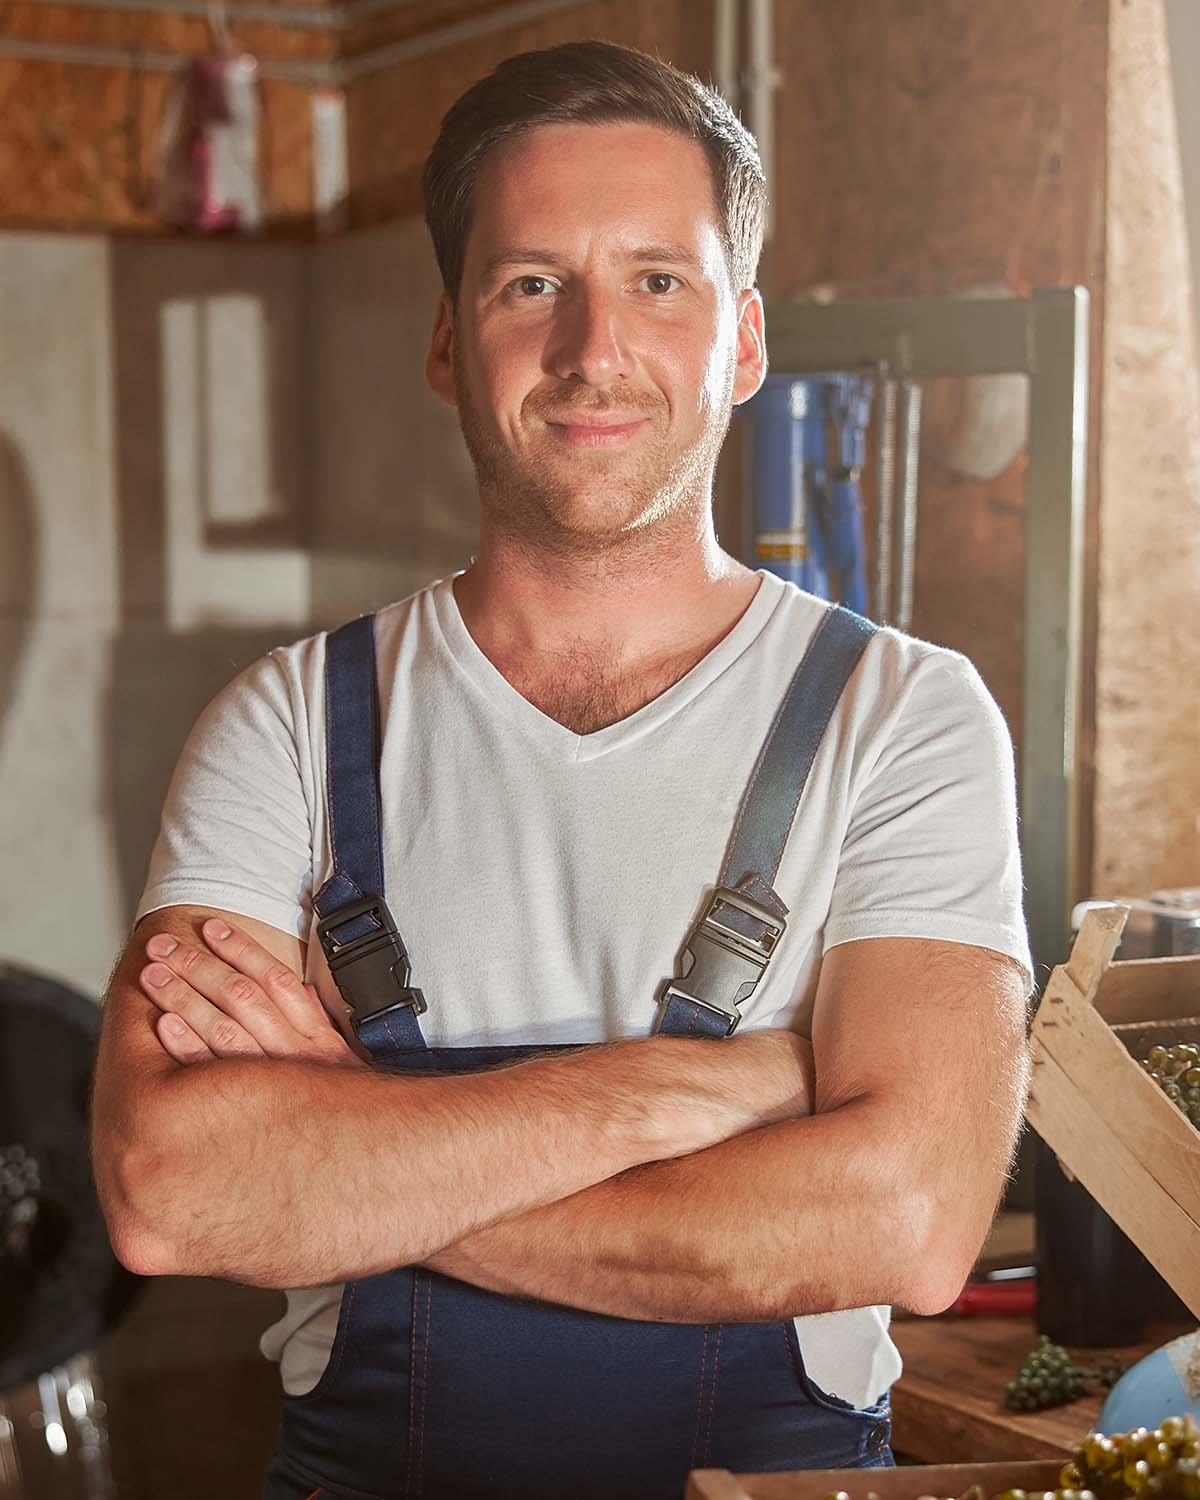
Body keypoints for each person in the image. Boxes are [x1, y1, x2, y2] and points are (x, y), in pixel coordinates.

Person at [90, 40, 1034, 1500]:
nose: (595, 347)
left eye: (660, 279)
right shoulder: (285, 721)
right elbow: (166, 1191)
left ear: (745, 341)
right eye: (533, 282)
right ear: (449, 341)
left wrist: (348, 1151)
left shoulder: (904, 718)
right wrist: (694, 1094)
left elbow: (908, 1220)